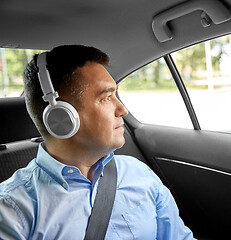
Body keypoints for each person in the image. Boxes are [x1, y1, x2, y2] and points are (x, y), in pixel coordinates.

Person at [0, 45, 195, 239]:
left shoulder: (140, 174)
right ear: (61, 117)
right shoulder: (12, 210)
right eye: (107, 97)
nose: (123, 109)